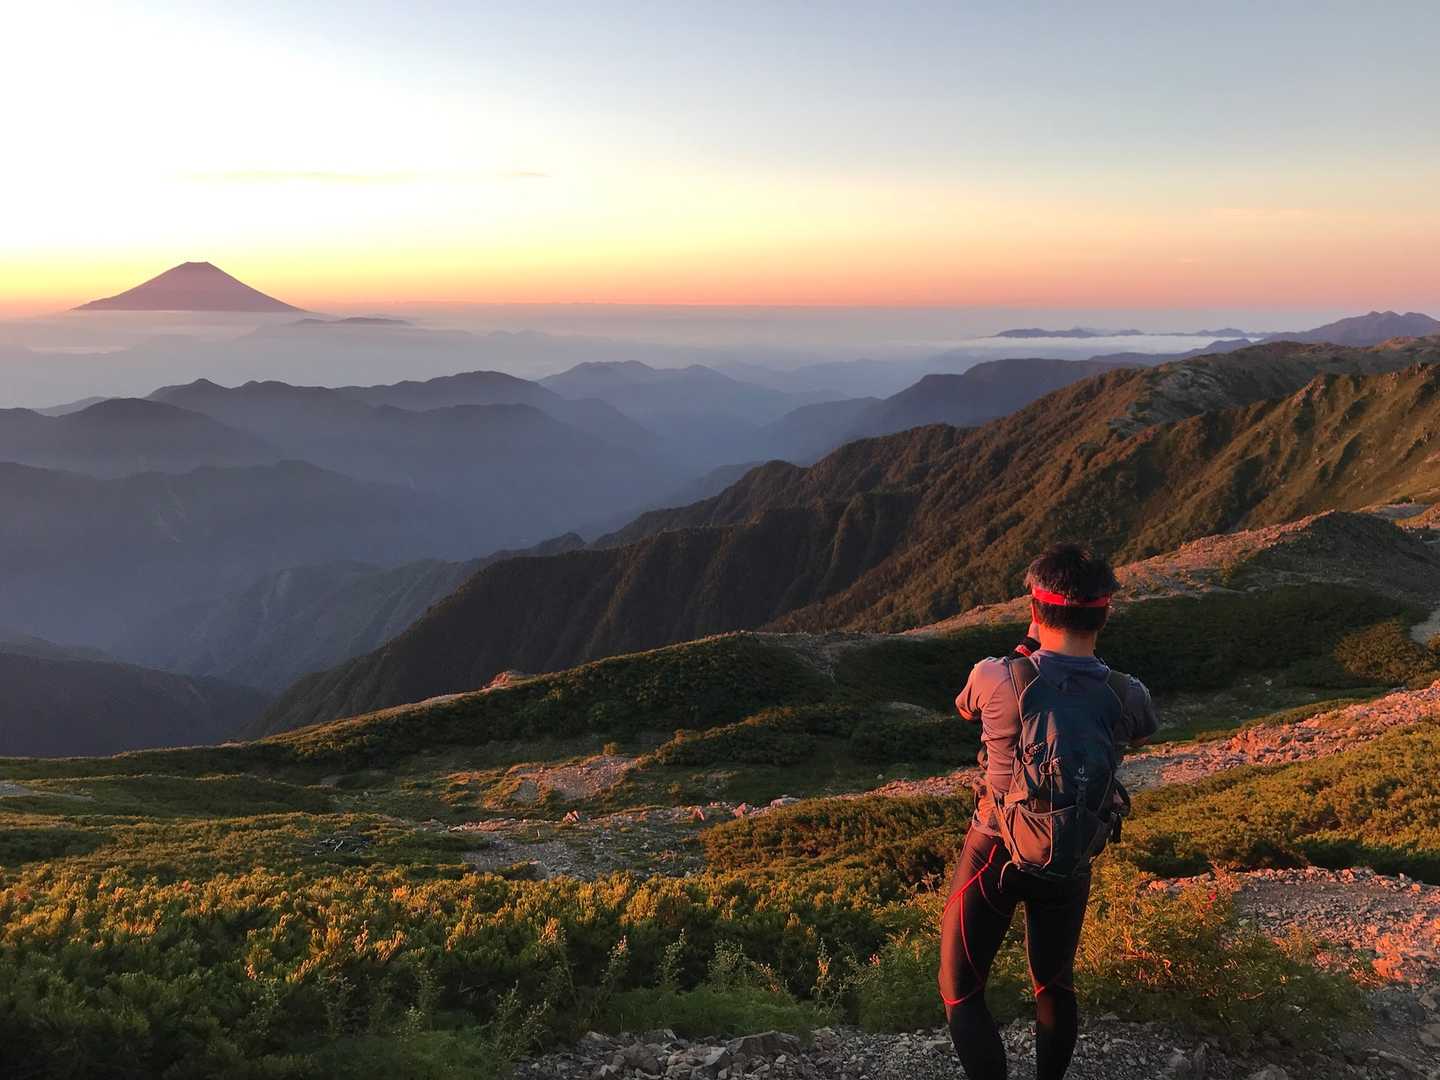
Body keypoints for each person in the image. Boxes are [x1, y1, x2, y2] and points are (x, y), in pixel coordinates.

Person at [938, 543, 1158, 1080]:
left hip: (995, 849)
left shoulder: (996, 675)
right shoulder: (1128, 693)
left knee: (961, 990)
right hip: (1072, 855)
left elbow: (964, 707)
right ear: (1104, 614)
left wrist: (1025, 652)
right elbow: (1142, 730)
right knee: (1054, 985)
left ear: (1034, 610)